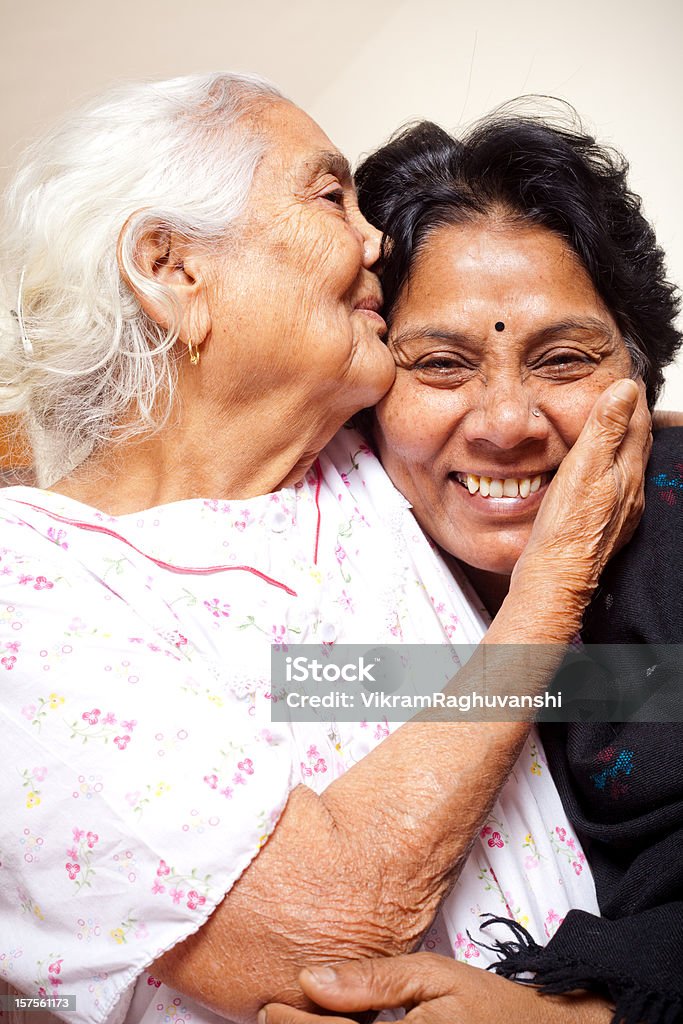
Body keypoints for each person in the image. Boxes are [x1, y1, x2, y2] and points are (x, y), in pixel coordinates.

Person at [0, 75, 649, 1024]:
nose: (376, 239)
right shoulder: (32, 590)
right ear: (170, 266)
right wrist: (551, 584)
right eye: (327, 196)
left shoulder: (364, 460)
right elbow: (317, 932)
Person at [263, 111, 683, 1024]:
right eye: (442, 364)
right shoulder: (303, 562)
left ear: (639, 373)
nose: (506, 423)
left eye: (564, 359)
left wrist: (587, 1017)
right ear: (362, 387)